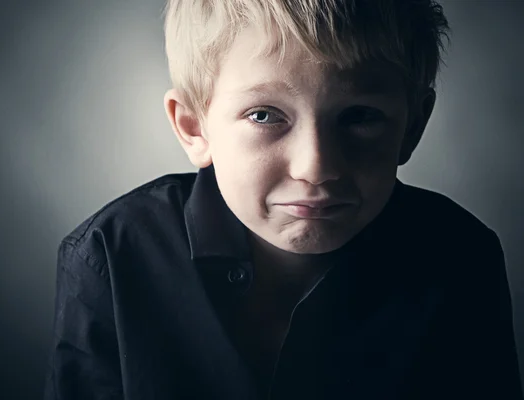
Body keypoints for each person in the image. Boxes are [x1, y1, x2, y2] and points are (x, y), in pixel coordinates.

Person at [44, 0, 523, 399]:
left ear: (413, 125)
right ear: (194, 127)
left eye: (358, 116)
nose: (316, 167)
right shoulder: (110, 256)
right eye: (263, 115)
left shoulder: (460, 258)